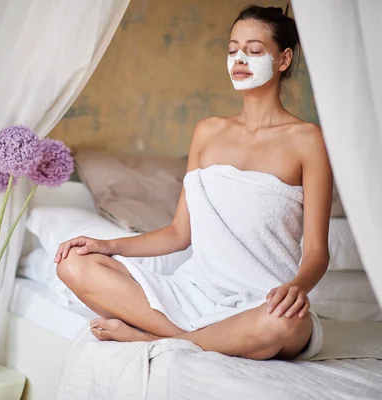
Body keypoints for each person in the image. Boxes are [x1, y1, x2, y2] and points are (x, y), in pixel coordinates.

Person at [54, 5, 333, 361]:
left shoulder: (308, 140)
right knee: (73, 264)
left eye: (254, 50)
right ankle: (186, 337)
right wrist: (106, 245)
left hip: (264, 304)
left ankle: (150, 339)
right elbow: (177, 234)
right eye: (232, 50)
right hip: (195, 292)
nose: (239, 59)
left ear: (283, 59)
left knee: (287, 325)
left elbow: (316, 253)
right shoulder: (208, 132)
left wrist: (296, 287)